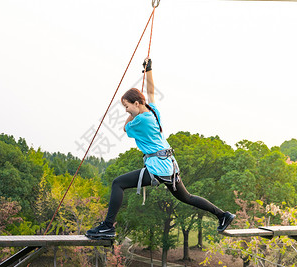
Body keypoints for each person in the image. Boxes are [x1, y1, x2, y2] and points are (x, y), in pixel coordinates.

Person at [86, 58, 235, 239]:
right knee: (186, 197)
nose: (125, 111)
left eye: (126, 106)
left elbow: (125, 128)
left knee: (118, 183)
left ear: (136, 104)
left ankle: (108, 226)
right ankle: (223, 215)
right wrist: (149, 70)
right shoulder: (153, 110)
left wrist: (131, 115)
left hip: (158, 166)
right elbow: (150, 92)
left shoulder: (139, 121)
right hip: (169, 164)